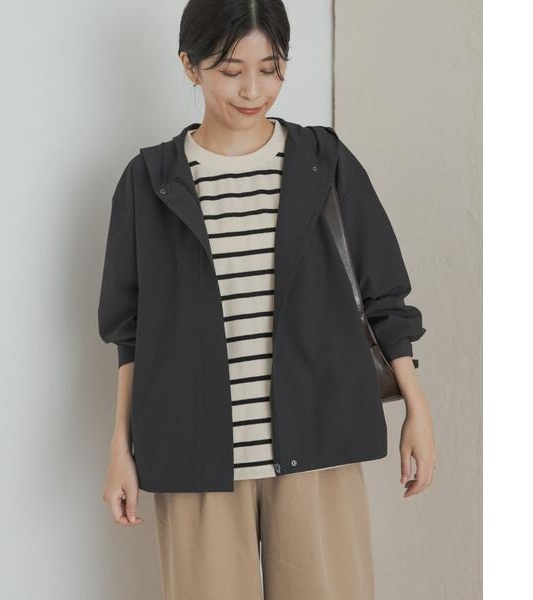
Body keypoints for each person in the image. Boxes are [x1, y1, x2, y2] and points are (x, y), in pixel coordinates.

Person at [98, 1, 436, 598]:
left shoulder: (323, 162)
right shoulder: (148, 181)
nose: (253, 90)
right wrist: (120, 449)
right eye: (231, 70)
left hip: (318, 442)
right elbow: (132, 332)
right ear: (189, 65)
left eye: (270, 68)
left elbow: (384, 293)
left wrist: (418, 409)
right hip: (193, 454)